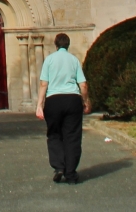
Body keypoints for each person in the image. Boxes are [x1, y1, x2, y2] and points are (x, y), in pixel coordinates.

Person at [35, 32, 91, 184]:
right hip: (72, 99)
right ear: (68, 44)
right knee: (72, 136)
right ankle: (71, 173)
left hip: (53, 100)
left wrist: (39, 105)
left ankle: (59, 166)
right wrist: (85, 101)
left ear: (56, 44)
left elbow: (43, 84)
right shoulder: (74, 60)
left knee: (54, 134)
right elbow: (83, 84)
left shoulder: (49, 60)